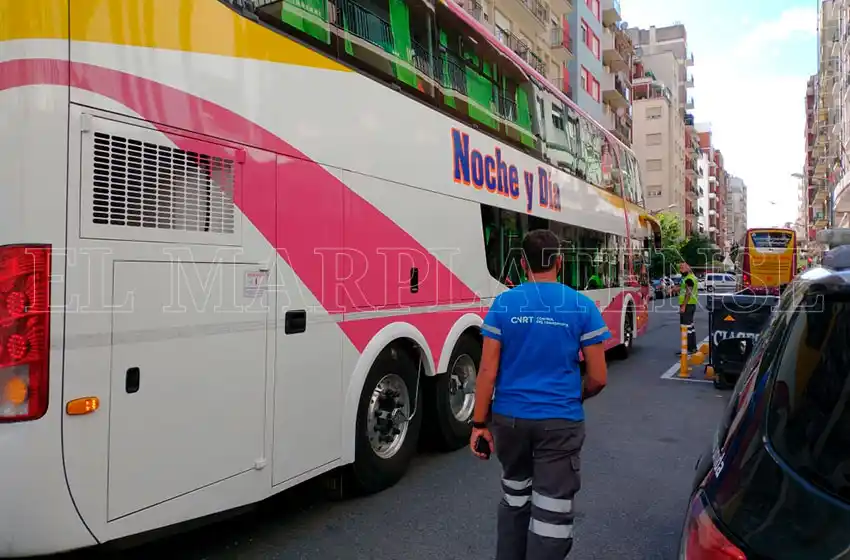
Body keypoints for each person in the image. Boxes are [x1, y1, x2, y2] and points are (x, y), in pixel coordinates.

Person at [469, 229, 610, 560]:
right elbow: (599, 377)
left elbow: (487, 371)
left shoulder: (503, 304)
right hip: (560, 422)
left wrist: (479, 424)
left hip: (509, 422)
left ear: (522, 263)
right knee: (551, 515)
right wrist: (576, 396)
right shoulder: (581, 306)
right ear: (559, 262)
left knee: (515, 497)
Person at [678, 262, 699, 355]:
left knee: (685, 328)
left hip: (688, 305)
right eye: (680, 268)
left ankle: (688, 349)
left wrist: (683, 306)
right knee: (690, 328)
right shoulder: (690, 278)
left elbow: (688, 293)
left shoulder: (689, 279)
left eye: (682, 268)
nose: (680, 270)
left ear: (688, 268)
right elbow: (685, 290)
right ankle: (691, 348)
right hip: (690, 305)